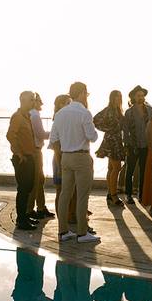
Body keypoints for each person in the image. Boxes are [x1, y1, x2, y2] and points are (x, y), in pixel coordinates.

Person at [52, 82, 100, 244]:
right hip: (81, 157)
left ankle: (63, 231)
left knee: (65, 194)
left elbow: (53, 140)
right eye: (86, 94)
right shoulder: (84, 113)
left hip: (65, 157)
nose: (87, 97)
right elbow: (92, 137)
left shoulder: (60, 114)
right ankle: (82, 232)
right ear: (81, 93)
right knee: (82, 196)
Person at [6, 91, 39, 231]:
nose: (33, 102)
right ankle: (21, 220)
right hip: (22, 159)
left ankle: (24, 216)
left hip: (29, 157)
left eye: (33, 99)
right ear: (22, 100)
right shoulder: (18, 117)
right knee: (23, 189)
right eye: (31, 100)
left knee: (28, 188)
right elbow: (10, 135)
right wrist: (19, 153)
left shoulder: (27, 117)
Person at [94, 90, 126, 208]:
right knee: (117, 168)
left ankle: (109, 193)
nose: (118, 99)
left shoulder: (118, 111)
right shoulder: (108, 110)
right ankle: (113, 195)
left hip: (117, 141)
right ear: (112, 98)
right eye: (116, 97)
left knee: (111, 168)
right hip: (111, 141)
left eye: (120, 97)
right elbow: (95, 120)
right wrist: (107, 129)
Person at [123, 85, 151, 205]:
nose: (141, 97)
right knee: (130, 171)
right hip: (133, 145)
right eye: (138, 95)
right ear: (134, 97)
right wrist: (128, 145)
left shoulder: (149, 110)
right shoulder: (129, 112)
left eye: (142, 95)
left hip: (146, 145)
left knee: (144, 171)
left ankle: (142, 194)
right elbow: (125, 130)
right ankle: (128, 194)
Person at [28, 93, 54, 219]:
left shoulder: (32, 114)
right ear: (34, 102)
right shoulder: (35, 115)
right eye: (39, 101)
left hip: (36, 150)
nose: (41, 104)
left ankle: (40, 207)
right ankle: (33, 209)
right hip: (36, 151)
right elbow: (41, 134)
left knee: (39, 180)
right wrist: (56, 133)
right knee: (36, 181)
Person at [50, 94, 72, 221]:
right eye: (67, 103)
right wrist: (59, 164)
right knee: (60, 190)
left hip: (62, 158)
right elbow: (56, 145)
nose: (70, 106)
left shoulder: (64, 119)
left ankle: (67, 217)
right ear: (60, 105)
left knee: (65, 191)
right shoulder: (59, 120)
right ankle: (62, 219)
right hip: (59, 158)